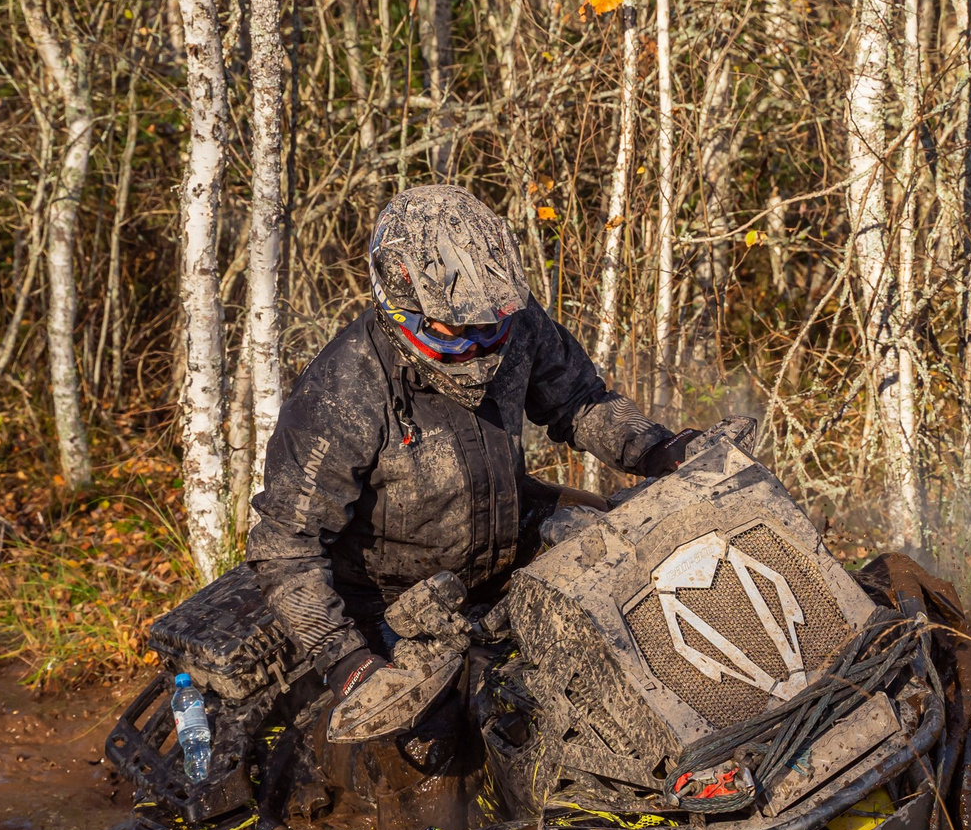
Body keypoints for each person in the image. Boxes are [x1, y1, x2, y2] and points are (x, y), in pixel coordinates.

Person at [247, 185, 699, 735]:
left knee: (630, 582)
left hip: (502, 548)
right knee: (444, 745)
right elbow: (285, 550)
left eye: (492, 325)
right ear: (402, 308)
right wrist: (349, 664)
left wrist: (658, 450)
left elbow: (580, 402)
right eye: (458, 334)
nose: (481, 345)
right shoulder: (344, 388)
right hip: (392, 602)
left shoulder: (516, 323)